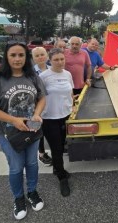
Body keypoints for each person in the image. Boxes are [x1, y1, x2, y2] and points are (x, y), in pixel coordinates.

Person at [0, 41, 46, 220]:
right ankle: (18, 198)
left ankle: (32, 192)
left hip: (31, 130)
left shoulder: (32, 76)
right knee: (16, 168)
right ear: (6, 57)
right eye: (13, 55)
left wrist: (38, 114)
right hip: (9, 133)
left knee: (32, 164)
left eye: (21, 55)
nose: (17, 59)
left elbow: (41, 98)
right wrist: (13, 120)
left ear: (26, 57)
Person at [39, 48, 74, 197]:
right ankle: (61, 177)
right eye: (56, 60)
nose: (60, 62)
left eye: (62, 59)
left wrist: (71, 106)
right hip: (49, 118)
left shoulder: (67, 74)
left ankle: (56, 168)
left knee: (61, 145)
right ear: (50, 61)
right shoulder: (43, 77)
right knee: (56, 148)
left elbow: (70, 92)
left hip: (65, 115)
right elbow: (38, 97)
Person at [31, 47, 52, 165]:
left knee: (49, 129)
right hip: (35, 106)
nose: (40, 57)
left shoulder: (52, 69)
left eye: (42, 54)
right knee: (37, 131)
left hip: (50, 105)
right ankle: (41, 153)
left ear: (47, 55)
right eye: (37, 55)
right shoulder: (30, 73)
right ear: (33, 58)